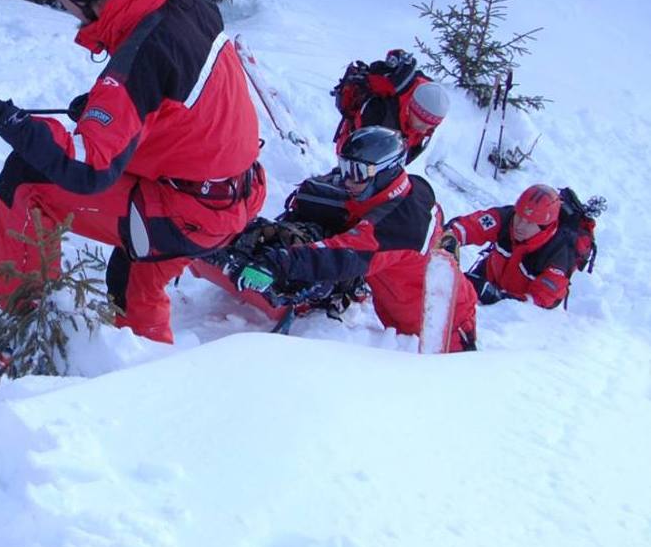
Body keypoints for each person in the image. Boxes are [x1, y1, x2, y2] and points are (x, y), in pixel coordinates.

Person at [0, 0, 265, 343]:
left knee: (27, 179)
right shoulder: (182, 2)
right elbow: (185, 104)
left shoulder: (141, 55)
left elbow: (88, 168)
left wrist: (7, 117)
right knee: (133, 282)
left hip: (190, 209)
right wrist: (115, 114)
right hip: (227, 190)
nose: (61, 5)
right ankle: (142, 371)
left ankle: (16, 310)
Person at [224, 126, 476, 352]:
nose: (346, 179)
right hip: (407, 320)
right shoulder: (414, 187)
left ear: (386, 171)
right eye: (343, 167)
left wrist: (276, 263)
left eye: (356, 171)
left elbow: (340, 255)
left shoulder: (394, 228)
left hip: (442, 330)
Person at [445, 184, 599, 309]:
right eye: (519, 216)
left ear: (545, 226)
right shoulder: (508, 218)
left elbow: (541, 301)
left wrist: (499, 298)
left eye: (530, 222)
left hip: (514, 314)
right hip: (489, 278)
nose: (519, 225)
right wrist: (448, 238)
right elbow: (472, 226)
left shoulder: (559, 255)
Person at [332, 48, 449, 163]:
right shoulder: (378, 112)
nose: (424, 130)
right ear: (410, 109)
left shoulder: (429, 112)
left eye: (430, 125)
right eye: (421, 122)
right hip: (358, 151)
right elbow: (354, 151)